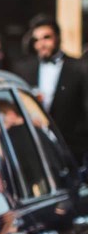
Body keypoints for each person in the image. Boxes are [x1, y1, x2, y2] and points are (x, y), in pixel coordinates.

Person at [14, 15, 88, 164]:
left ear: (58, 37)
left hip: (71, 150)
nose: (41, 44)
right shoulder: (24, 69)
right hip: (34, 149)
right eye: (36, 40)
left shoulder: (79, 68)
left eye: (46, 38)